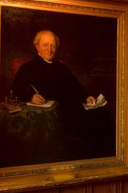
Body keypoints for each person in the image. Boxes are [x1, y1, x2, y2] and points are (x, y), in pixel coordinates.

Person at [9, 30, 110, 162]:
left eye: (53, 46)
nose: (49, 49)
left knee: (103, 116)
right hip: (55, 116)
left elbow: (75, 85)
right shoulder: (27, 68)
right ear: (37, 46)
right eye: (45, 45)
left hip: (73, 111)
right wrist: (30, 96)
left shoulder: (61, 67)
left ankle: (105, 161)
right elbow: (16, 89)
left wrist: (86, 96)